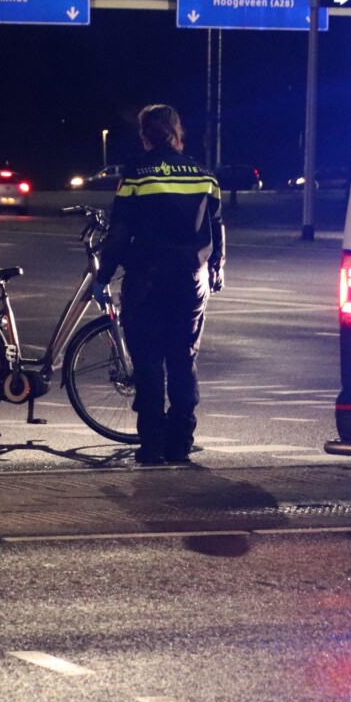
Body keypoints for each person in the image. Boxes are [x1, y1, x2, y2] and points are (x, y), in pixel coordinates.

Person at [92, 104, 226, 465]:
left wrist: (103, 276)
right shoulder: (203, 173)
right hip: (191, 280)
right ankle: (180, 444)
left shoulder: (137, 174)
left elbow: (120, 230)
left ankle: (152, 446)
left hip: (147, 280)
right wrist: (217, 266)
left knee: (149, 361)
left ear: (144, 135)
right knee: (183, 360)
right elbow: (216, 225)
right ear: (177, 132)